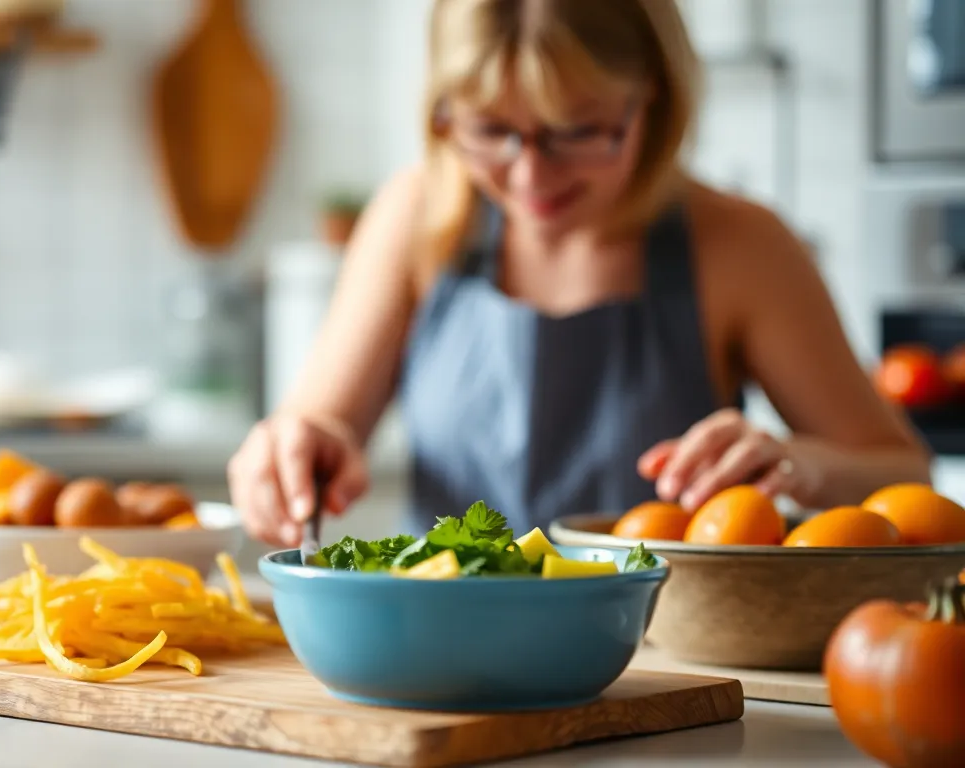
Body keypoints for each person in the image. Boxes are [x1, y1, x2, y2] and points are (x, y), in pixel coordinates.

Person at [229, 0, 932, 546]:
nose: (531, 174)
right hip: (442, 658)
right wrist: (290, 451)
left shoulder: (741, 245)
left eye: (577, 129)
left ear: (652, 97)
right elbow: (317, 427)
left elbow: (903, 472)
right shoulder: (415, 217)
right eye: (491, 130)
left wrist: (801, 466)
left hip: (660, 676)